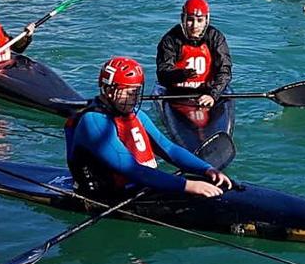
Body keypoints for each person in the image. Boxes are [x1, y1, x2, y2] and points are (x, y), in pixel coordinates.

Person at [66, 56, 233, 198]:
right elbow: (130, 168)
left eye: (137, 92)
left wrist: (206, 169)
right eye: (129, 92)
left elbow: (169, 149)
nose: (134, 98)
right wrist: (188, 186)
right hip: (107, 195)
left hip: (142, 184)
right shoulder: (94, 122)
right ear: (110, 91)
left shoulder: (136, 115)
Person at [156, 0, 232, 108]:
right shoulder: (170, 39)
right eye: (190, 20)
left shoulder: (215, 37)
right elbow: (162, 72)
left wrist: (213, 95)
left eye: (200, 20)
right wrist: (181, 74)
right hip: (177, 93)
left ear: (206, 20)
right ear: (183, 19)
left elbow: (224, 70)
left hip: (208, 91)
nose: (195, 26)